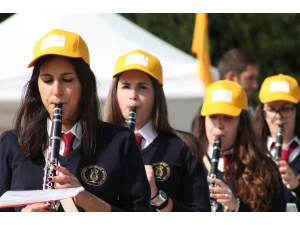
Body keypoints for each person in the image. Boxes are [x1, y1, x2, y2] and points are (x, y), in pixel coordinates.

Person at [0, 29, 151, 212]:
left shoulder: (120, 141)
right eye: (47, 80)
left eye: (67, 79)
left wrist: (86, 199)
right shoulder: (10, 143)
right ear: (36, 85)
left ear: (84, 84)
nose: (56, 91)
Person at [103, 49, 211, 212]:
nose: (133, 95)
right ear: (115, 93)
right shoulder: (99, 143)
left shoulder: (184, 147)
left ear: (156, 95)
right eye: (125, 86)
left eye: (142, 87)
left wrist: (157, 197)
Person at [193, 80, 286, 212]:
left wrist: (237, 207)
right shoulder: (190, 162)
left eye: (228, 117)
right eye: (213, 116)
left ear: (241, 123)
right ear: (204, 120)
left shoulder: (266, 169)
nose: (219, 125)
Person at [254, 74, 300, 211]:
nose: (279, 116)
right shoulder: (252, 151)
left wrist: (297, 187)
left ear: (297, 110)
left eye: (286, 109)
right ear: (263, 112)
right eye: (272, 109)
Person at [218, 48, 258, 115]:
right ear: (231, 78)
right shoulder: (206, 118)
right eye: (250, 78)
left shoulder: (247, 105)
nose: (255, 85)